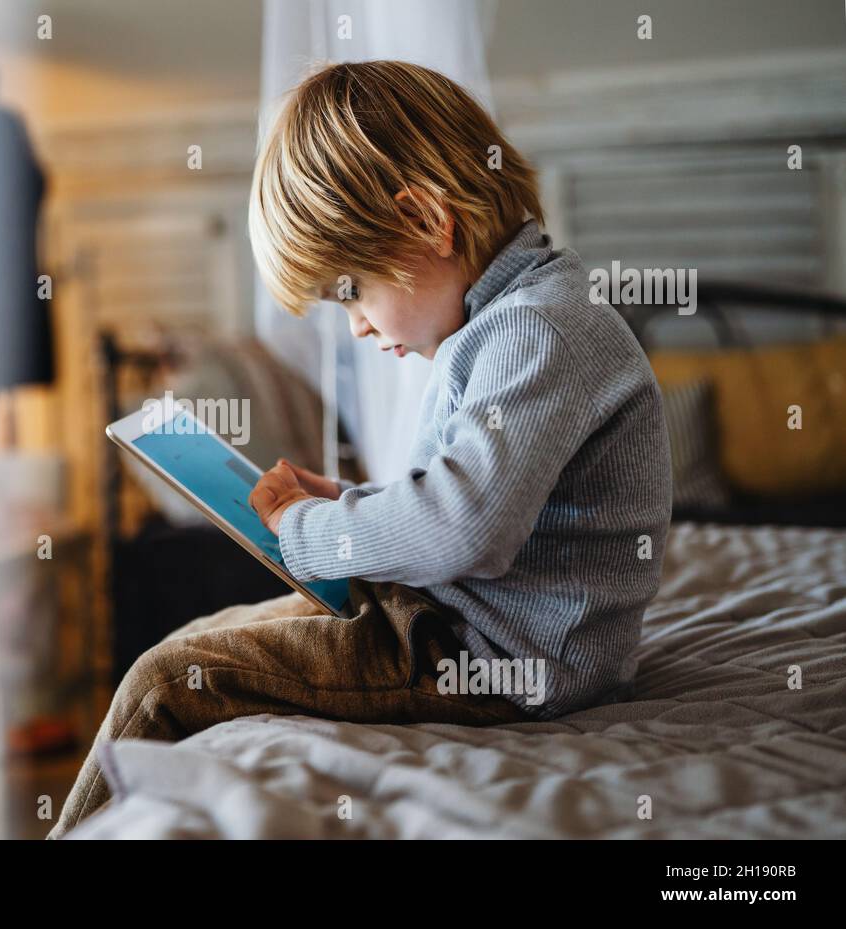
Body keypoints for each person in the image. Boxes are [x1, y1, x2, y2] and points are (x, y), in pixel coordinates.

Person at [48, 60, 671, 839]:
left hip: (494, 662)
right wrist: (347, 508)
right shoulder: (513, 320)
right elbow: (460, 492)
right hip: (466, 622)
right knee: (190, 638)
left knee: (164, 680)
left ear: (425, 220)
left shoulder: (533, 331)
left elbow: (466, 526)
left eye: (350, 291)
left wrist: (306, 534)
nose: (358, 328)